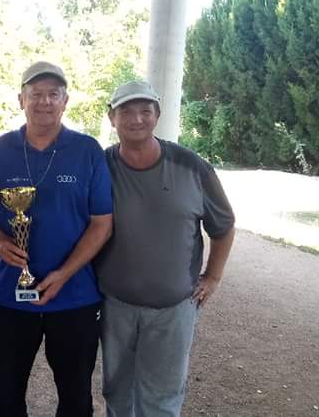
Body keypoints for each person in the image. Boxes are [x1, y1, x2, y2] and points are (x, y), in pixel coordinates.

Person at [0, 61, 113, 417]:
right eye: (36, 94)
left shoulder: (87, 150)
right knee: (6, 395)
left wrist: (64, 273)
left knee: (76, 398)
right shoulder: (0, 149)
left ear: (66, 101)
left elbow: (102, 223)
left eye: (53, 94)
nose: (44, 101)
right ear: (21, 99)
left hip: (74, 297)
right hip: (9, 296)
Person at [95, 80, 236, 417]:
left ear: (157, 115)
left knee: (161, 398)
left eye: (146, 110)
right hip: (115, 305)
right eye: (126, 111)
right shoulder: (100, 166)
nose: (137, 119)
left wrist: (213, 276)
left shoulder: (191, 165)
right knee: (117, 390)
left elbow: (224, 225)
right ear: (111, 117)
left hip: (174, 308)